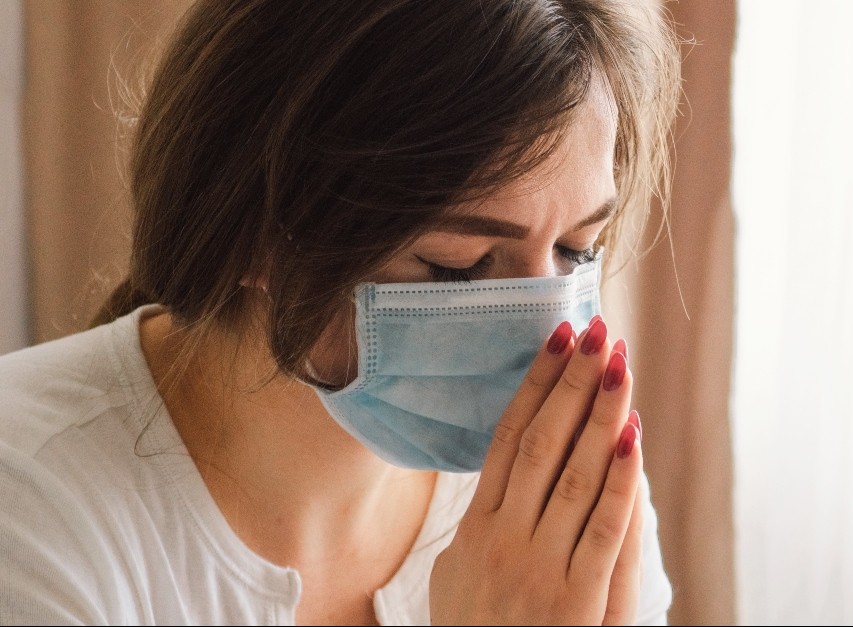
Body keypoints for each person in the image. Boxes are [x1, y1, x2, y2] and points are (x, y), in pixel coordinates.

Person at [0, 0, 682, 624]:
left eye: (576, 248)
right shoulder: (28, 506)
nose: (547, 334)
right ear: (253, 238)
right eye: (458, 263)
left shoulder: (564, 499)